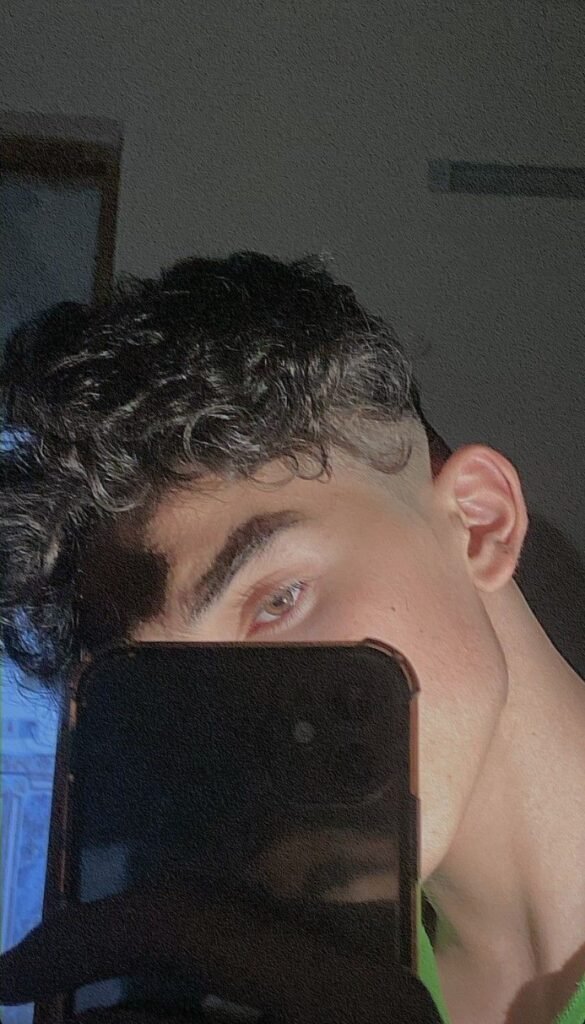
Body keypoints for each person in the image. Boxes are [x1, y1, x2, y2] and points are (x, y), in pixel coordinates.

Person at [1, 252, 584, 1024]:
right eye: (183, 704)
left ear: (479, 523)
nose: (240, 733)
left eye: (279, 600)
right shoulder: (294, 987)